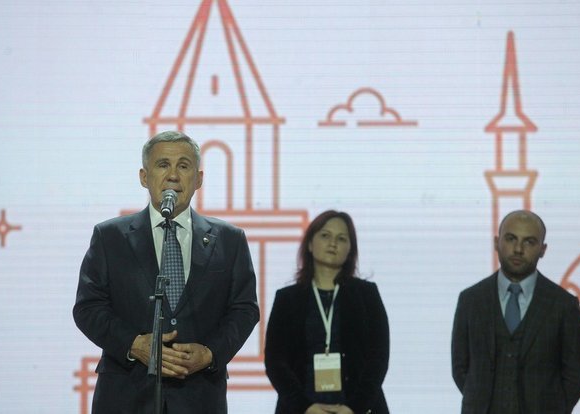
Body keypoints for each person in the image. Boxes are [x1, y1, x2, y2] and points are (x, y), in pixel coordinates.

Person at [73, 131, 259, 413]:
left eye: (183, 166)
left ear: (198, 179)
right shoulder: (110, 237)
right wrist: (134, 344)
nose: (173, 175)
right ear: (144, 177)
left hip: (199, 396)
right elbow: (88, 307)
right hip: (126, 395)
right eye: (162, 165)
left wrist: (210, 353)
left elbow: (244, 309)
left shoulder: (229, 240)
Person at [451, 210, 580, 414]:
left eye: (529, 242)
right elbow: (460, 368)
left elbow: (576, 374)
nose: (518, 249)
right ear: (496, 242)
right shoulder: (471, 300)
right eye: (511, 239)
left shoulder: (564, 306)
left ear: (543, 250)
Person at [265, 210, 390, 414]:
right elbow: (275, 362)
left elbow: (378, 358)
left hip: (359, 409)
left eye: (342, 238)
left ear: (350, 249)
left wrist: (353, 408)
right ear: (310, 244)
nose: (333, 243)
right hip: (302, 409)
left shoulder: (367, 295)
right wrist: (305, 407)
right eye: (325, 235)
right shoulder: (287, 299)